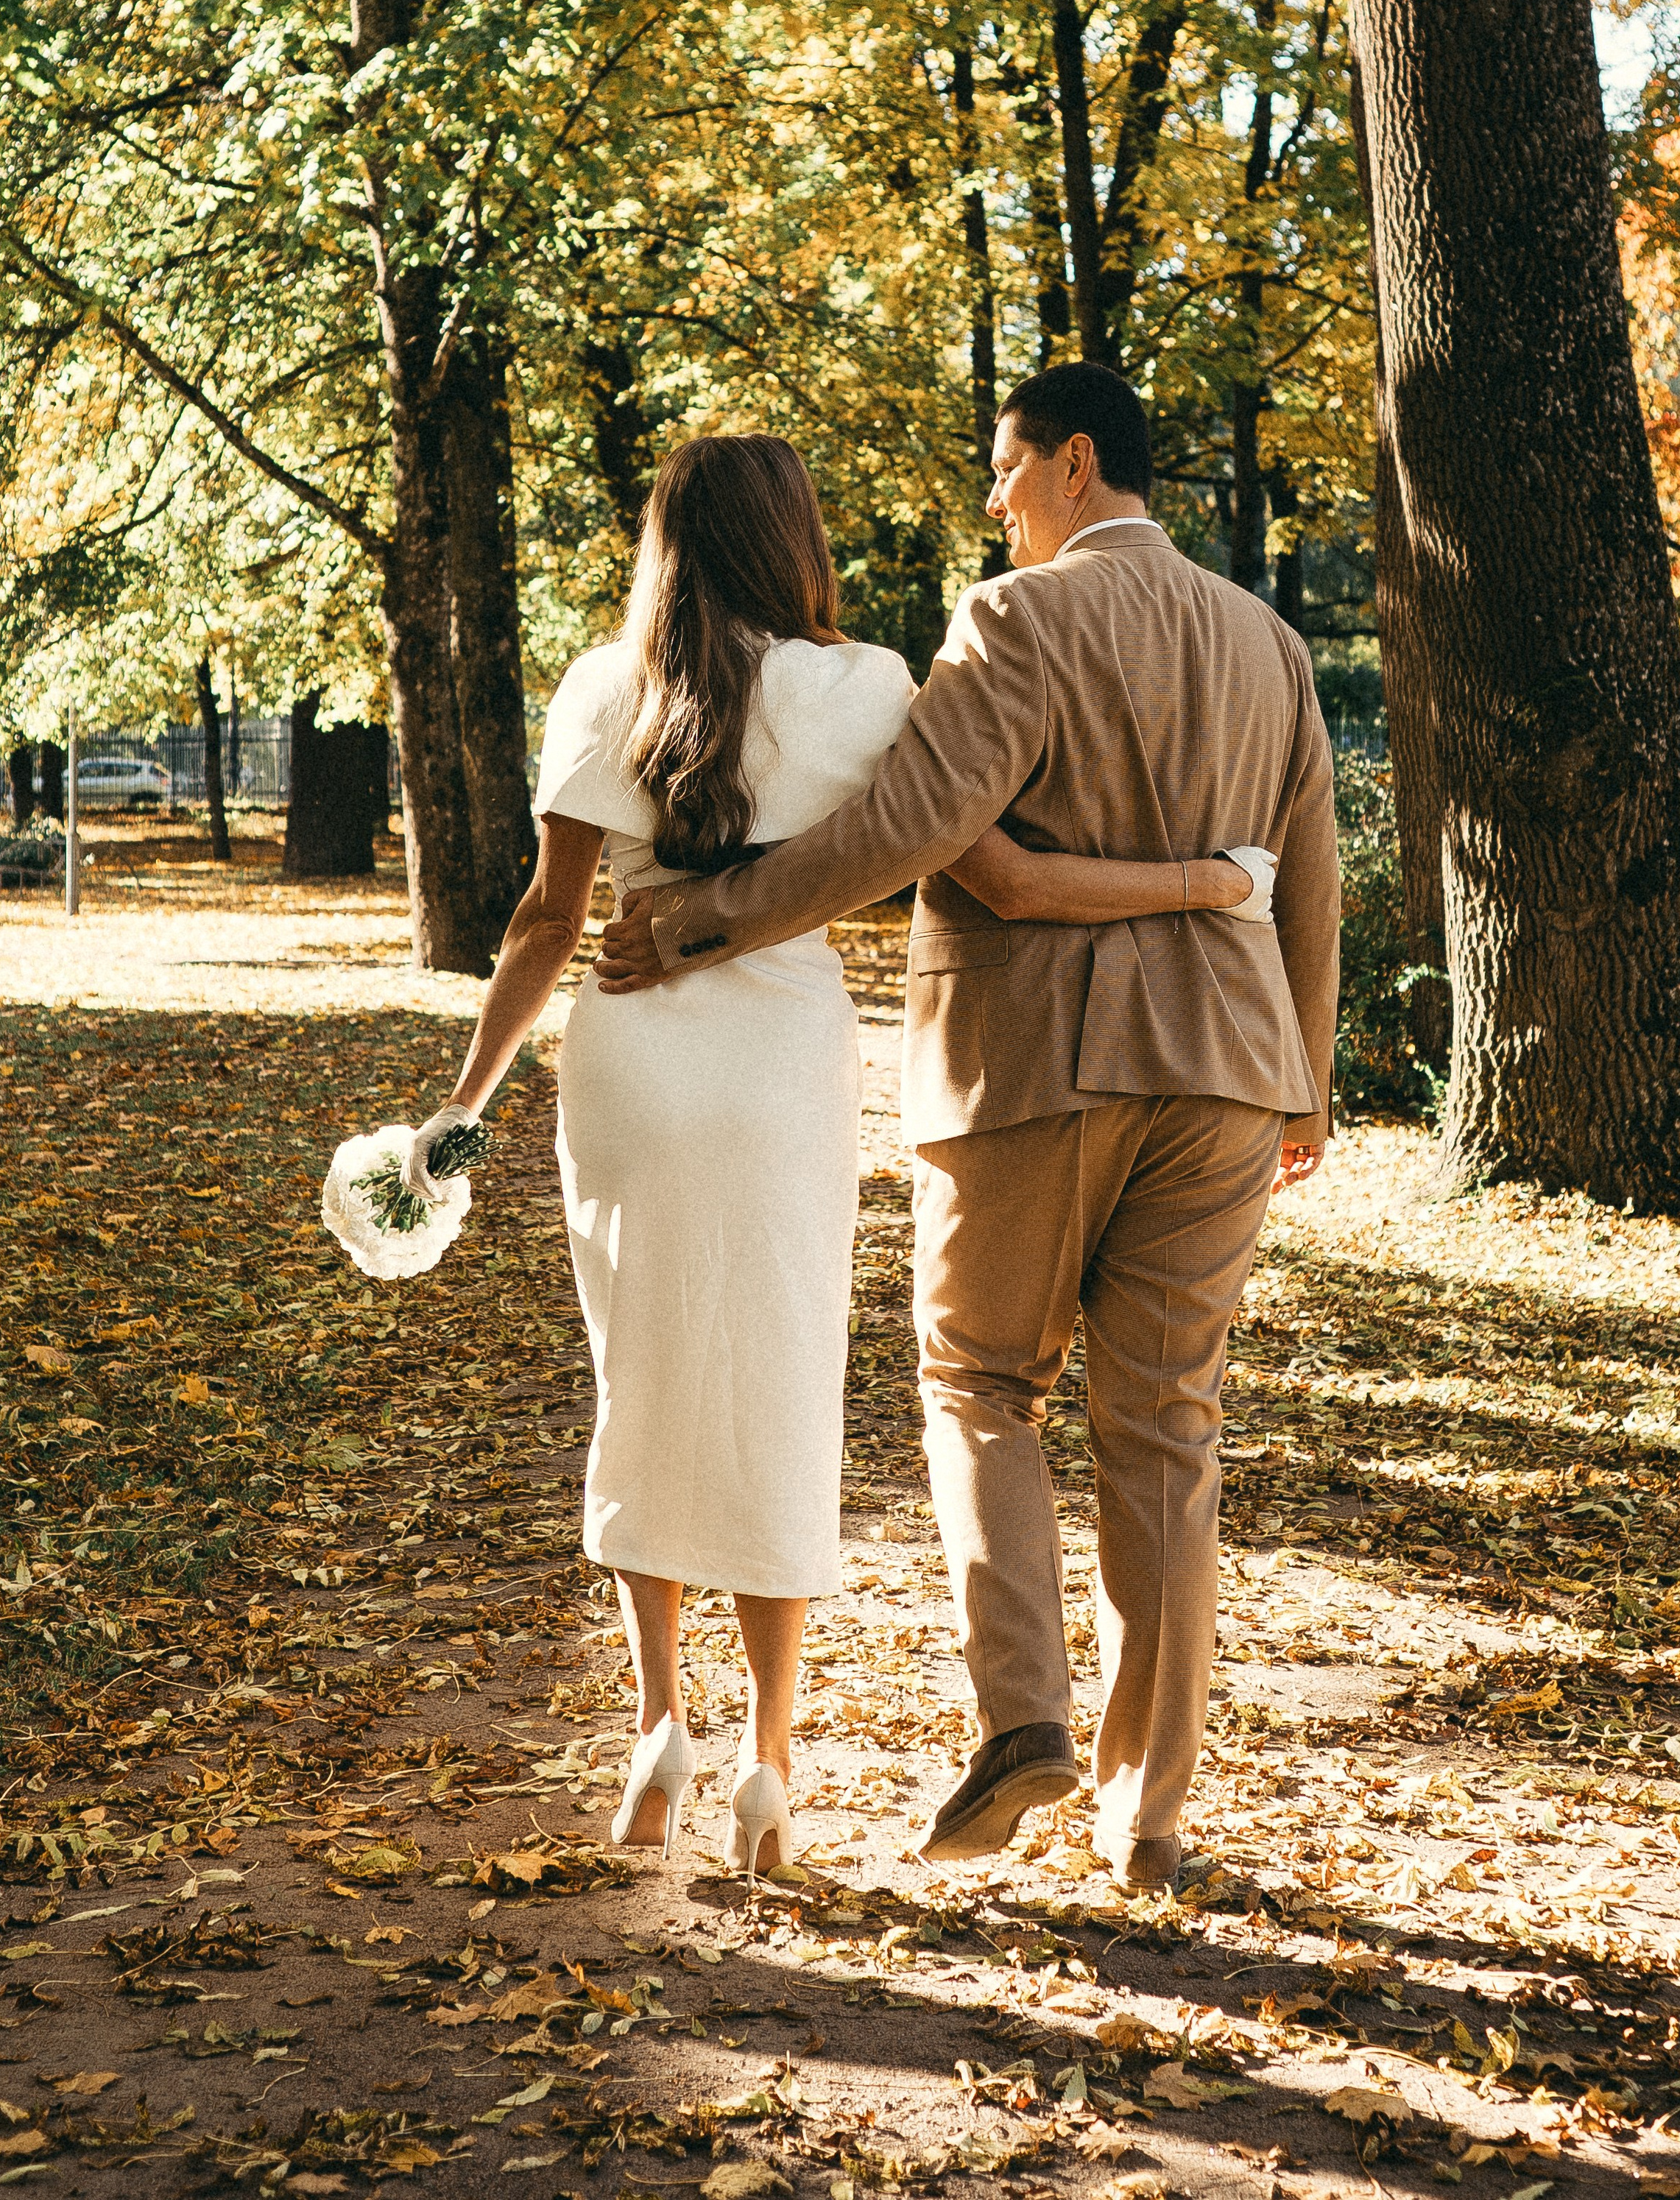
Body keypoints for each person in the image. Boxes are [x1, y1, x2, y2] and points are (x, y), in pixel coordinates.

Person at [402, 430, 1278, 1875]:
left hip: (630, 1065)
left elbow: (547, 920)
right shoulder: (870, 684)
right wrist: (1200, 886)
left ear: (661, 542)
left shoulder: (603, 684)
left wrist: (465, 1099)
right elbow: (978, 871)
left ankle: (654, 1729)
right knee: (782, 1387)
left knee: (644, 1382)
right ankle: (767, 1762)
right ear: (793, 539)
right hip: (783, 1069)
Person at [594, 369, 1340, 1889]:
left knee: (980, 1381)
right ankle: (1146, 1817)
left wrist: (696, 924)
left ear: (1072, 464)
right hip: (1230, 1073)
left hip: (1034, 1064)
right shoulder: (1269, 643)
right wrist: (1303, 1080)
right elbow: (1307, 873)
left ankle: (1023, 1726)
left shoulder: (1017, 622)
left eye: (1006, 473)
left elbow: (903, 831)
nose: (995, 503)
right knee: (1166, 1436)